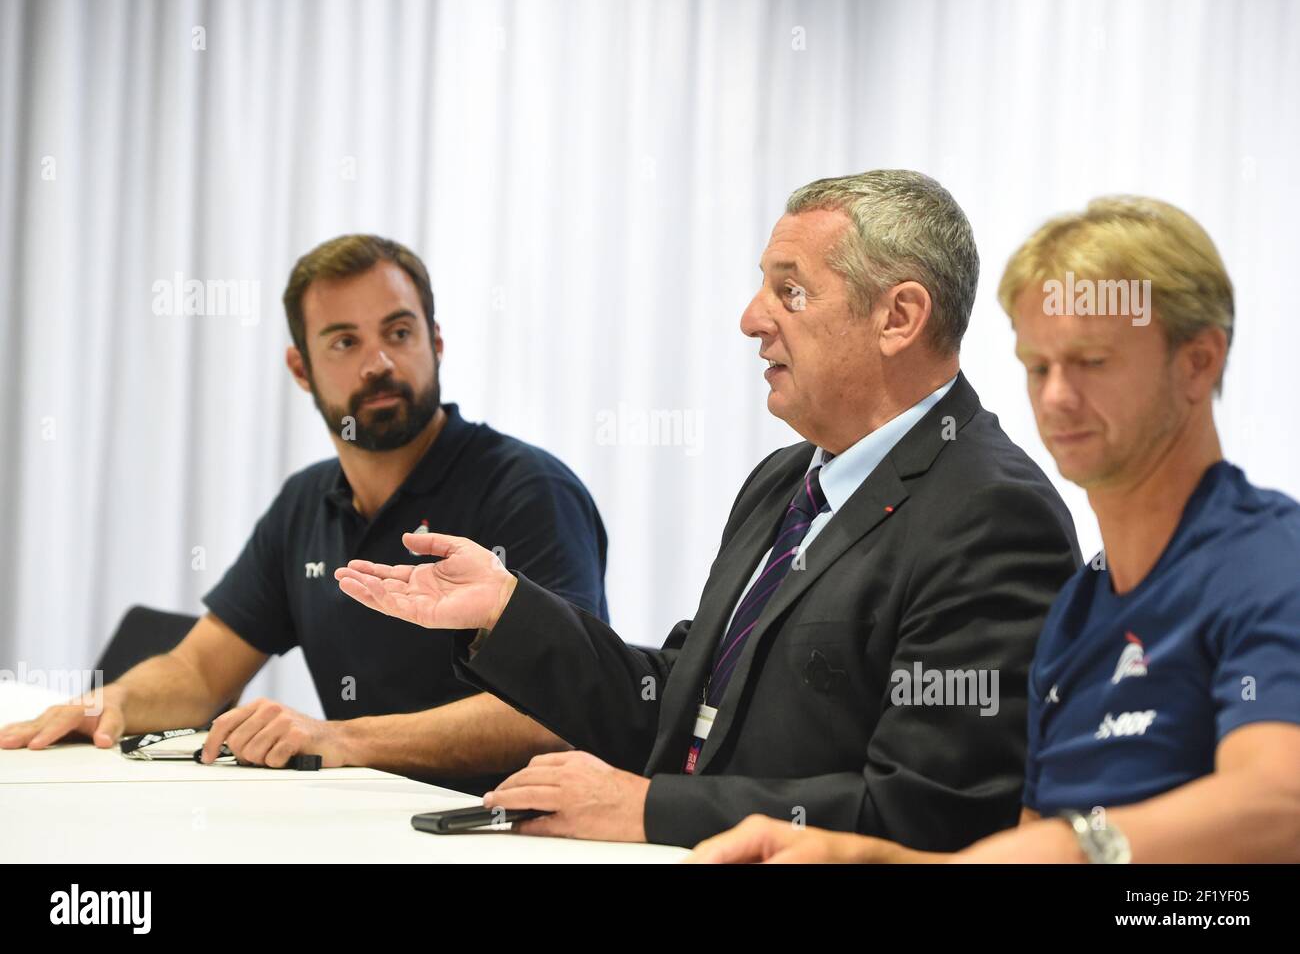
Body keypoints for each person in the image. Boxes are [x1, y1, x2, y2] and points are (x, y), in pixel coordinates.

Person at [336, 171, 1081, 847]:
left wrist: (651, 809)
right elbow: (677, 705)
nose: (751, 319)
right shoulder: (783, 479)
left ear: (899, 316)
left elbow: (933, 813)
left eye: (789, 290)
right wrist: (504, 608)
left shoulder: (991, 514)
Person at [688, 196, 1300, 863]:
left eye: (1091, 361)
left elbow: (1279, 802)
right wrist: (864, 859)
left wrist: (1073, 846)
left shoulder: (1270, 564)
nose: (1056, 397)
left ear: (1198, 362)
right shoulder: (1081, 607)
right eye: (1038, 367)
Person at [0, 235, 608, 790]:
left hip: (508, 833)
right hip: (361, 822)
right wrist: (113, 704)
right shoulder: (305, 502)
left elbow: (558, 710)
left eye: (398, 333)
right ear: (301, 369)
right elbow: (202, 670)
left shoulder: (530, 490)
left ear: (436, 341)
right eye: (346, 341)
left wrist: (341, 739)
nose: (379, 363)